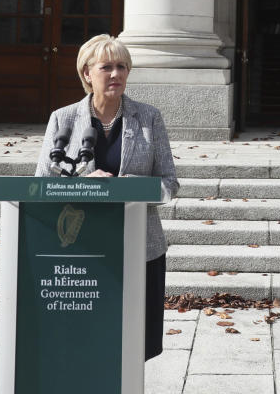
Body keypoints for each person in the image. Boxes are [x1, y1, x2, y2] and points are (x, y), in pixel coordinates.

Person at [35, 34, 178, 361]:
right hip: (83, 249)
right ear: (87, 73)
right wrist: (86, 181)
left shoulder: (149, 118)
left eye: (122, 67)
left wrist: (137, 188)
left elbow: (170, 183)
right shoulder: (64, 119)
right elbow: (43, 183)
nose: (116, 74)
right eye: (107, 67)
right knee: (88, 341)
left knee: (135, 344)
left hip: (140, 245)